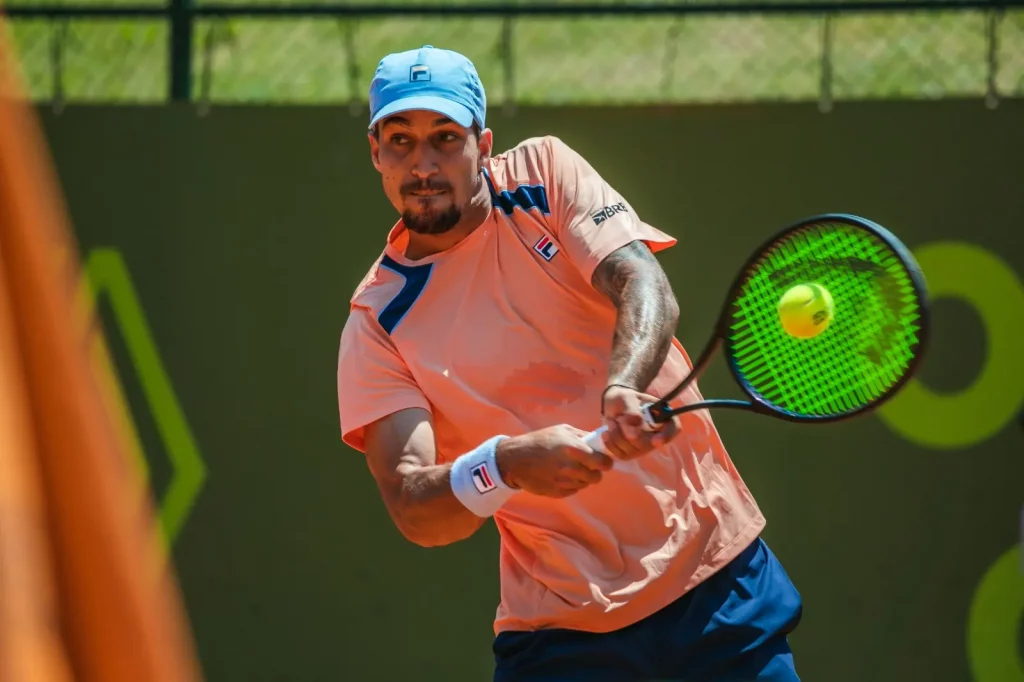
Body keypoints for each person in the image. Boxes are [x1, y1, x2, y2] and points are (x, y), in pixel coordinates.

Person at [336, 44, 803, 682]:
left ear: (483, 141)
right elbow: (414, 505)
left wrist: (622, 387)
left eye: (445, 137)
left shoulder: (544, 175)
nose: (423, 163)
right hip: (564, 638)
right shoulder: (377, 323)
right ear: (375, 152)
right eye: (401, 140)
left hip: (715, 581)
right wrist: (505, 465)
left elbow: (641, 281)